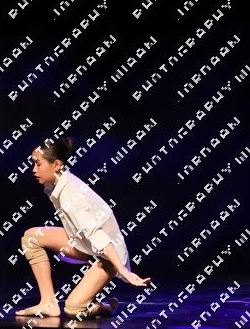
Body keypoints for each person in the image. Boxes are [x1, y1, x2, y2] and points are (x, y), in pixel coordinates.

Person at [15, 136, 151, 318]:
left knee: (73, 309)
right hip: (84, 243)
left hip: (109, 253)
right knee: (31, 237)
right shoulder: (58, 181)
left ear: (57, 165)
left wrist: (123, 270)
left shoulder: (71, 194)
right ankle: (48, 303)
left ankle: (103, 307)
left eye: (38, 164)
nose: (34, 169)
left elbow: (95, 233)